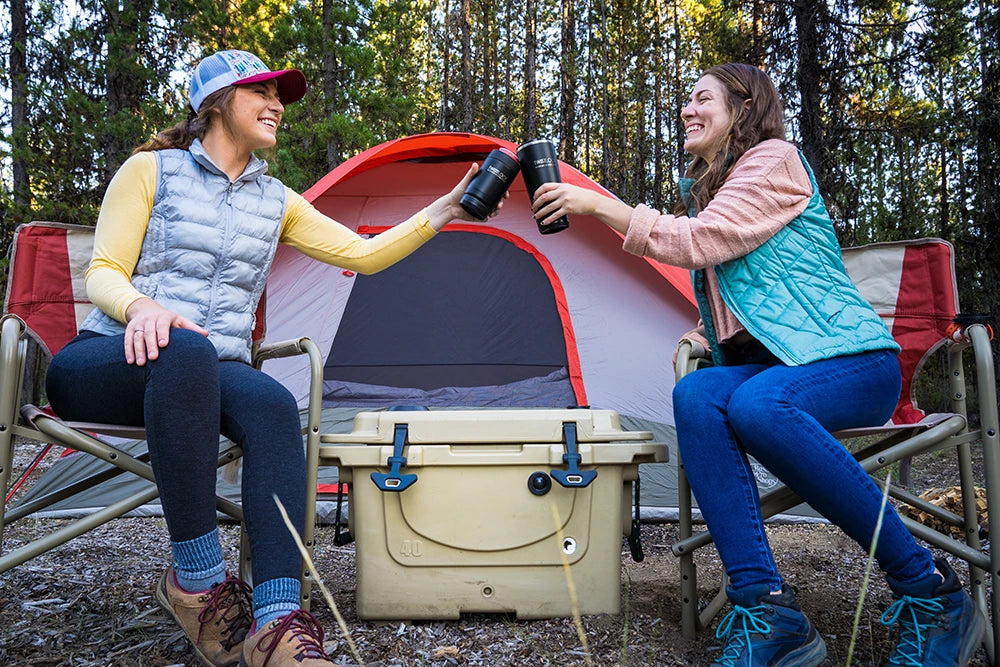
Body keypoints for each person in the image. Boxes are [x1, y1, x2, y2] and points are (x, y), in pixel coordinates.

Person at [44, 50, 499, 667]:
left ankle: (276, 623)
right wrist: (142, 308)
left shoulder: (276, 200)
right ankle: (197, 582)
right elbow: (103, 272)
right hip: (107, 358)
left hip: (207, 367)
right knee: (184, 348)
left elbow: (360, 255)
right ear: (215, 104)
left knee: (274, 405)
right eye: (262, 91)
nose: (278, 105)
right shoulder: (151, 171)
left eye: (281, 94)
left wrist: (444, 210)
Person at [529, 63, 985, 666]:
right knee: (698, 395)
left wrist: (599, 206)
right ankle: (768, 611)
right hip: (784, 372)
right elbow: (749, 289)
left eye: (701, 99)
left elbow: (701, 241)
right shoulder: (721, 190)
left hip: (854, 364)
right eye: (685, 101)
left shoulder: (776, 158)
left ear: (743, 109)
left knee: (757, 402)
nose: (686, 110)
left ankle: (934, 595)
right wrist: (701, 332)